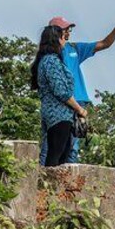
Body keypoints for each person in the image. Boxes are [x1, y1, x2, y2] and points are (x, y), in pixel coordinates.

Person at [39, 15, 115, 164]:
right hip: (61, 103)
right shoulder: (50, 55)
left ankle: (69, 182)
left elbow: (104, 44)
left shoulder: (74, 49)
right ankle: (44, 180)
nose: (68, 32)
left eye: (69, 29)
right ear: (55, 32)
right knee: (52, 146)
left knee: (72, 147)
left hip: (78, 101)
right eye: (65, 29)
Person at [31, 25, 88, 166]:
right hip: (58, 114)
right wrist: (79, 109)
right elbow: (61, 91)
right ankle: (48, 186)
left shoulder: (49, 60)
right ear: (57, 39)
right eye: (63, 37)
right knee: (55, 154)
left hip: (60, 115)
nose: (65, 40)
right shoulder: (51, 61)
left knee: (63, 153)